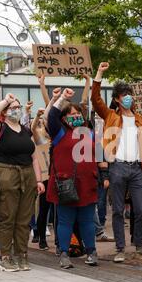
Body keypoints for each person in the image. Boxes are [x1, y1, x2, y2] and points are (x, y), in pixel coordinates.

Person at [92, 62, 142, 263]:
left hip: (137, 168)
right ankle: (120, 248)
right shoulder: (111, 116)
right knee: (118, 210)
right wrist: (100, 73)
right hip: (117, 167)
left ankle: (139, 244)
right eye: (124, 95)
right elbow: (95, 99)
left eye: (130, 94)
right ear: (117, 100)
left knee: (141, 209)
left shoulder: (141, 120)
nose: (129, 97)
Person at [0, 93, 45, 272]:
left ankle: (22, 254)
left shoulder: (26, 131)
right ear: (4, 112)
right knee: (7, 217)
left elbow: (34, 158)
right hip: (7, 174)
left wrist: (39, 180)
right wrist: (6, 101)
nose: (16, 110)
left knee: (24, 218)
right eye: (12, 108)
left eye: (18, 107)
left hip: (28, 175)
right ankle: (5, 257)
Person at [46, 88, 99, 269]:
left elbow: (99, 156)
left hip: (88, 183)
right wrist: (62, 98)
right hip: (66, 184)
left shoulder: (89, 132)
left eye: (77, 113)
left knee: (87, 220)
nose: (75, 116)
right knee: (65, 221)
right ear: (64, 118)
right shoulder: (59, 132)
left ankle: (91, 251)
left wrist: (103, 175)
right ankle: (64, 253)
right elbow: (52, 115)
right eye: (71, 114)